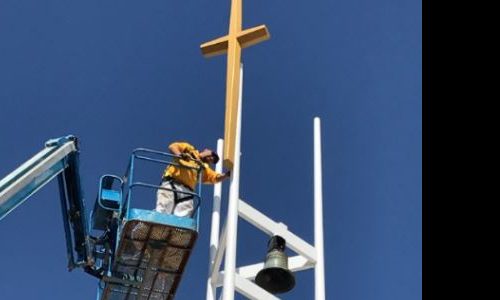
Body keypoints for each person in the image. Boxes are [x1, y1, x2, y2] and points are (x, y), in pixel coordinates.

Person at [156, 141, 230, 217]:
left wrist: (227, 175)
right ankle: (157, 226)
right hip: (172, 184)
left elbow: (215, 177)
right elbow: (173, 146)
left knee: (182, 219)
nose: (211, 158)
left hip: (187, 192)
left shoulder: (203, 168)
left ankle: (176, 229)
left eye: (213, 160)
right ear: (206, 150)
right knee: (163, 210)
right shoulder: (189, 150)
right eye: (212, 155)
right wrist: (180, 155)